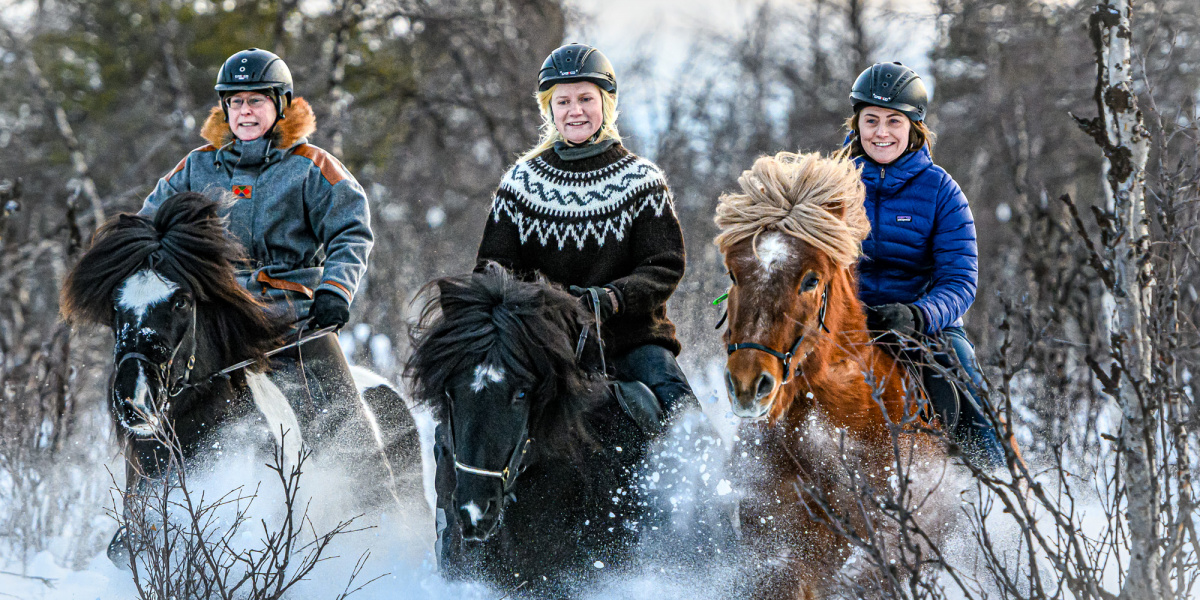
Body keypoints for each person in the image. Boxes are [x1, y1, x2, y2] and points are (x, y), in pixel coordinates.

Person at [433, 42, 700, 571]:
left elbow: (665, 264)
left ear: (607, 104)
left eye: (586, 98)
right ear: (548, 110)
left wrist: (610, 298)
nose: (575, 111)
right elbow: (494, 270)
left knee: (684, 419)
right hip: (538, 345)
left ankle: (696, 539)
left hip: (629, 340)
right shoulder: (521, 184)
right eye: (563, 101)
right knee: (464, 412)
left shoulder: (641, 180)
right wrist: (536, 310)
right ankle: (454, 540)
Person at [138, 48, 373, 437]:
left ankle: (373, 485)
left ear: (280, 104)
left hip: (292, 318)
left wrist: (335, 289)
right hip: (216, 316)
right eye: (236, 102)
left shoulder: (311, 165)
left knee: (345, 422)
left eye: (256, 101)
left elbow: (351, 228)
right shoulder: (196, 166)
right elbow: (148, 227)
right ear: (224, 109)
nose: (245, 111)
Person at [843, 62, 1006, 468]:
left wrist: (917, 315)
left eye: (893, 121)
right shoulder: (829, 182)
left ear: (914, 125)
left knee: (964, 369)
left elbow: (960, 280)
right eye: (872, 120)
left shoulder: (942, 191)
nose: (881, 132)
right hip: (842, 319)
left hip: (920, 324)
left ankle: (997, 483)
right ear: (857, 122)